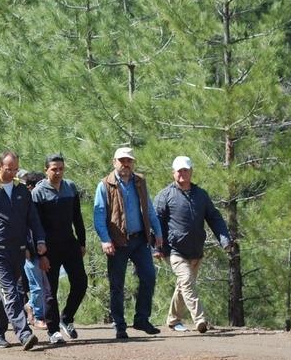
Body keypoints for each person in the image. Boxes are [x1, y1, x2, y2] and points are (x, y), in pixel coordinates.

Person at [0, 150, 45, 351]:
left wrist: (39, 241)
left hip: (18, 249)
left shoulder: (22, 191)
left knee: (13, 293)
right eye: (8, 169)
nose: (12, 173)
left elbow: (33, 219)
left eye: (15, 169)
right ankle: (24, 333)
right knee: (10, 291)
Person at [155, 156, 233, 334]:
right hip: (174, 250)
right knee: (187, 282)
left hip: (196, 250)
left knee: (183, 286)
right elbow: (155, 221)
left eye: (185, 170)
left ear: (191, 172)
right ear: (173, 173)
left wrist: (225, 240)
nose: (182, 174)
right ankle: (200, 319)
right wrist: (156, 248)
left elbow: (214, 218)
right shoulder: (165, 195)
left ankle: (173, 320)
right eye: (179, 171)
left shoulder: (201, 195)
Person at [93, 147, 164, 340]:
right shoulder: (105, 185)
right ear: (114, 162)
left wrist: (158, 232)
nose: (126, 164)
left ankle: (141, 319)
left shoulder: (139, 182)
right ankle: (119, 325)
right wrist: (105, 239)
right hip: (118, 241)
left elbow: (148, 208)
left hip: (140, 239)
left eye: (129, 161)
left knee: (149, 277)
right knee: (117, 285)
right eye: (122, 160)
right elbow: (99, 215)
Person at [32, 154, 88, 344]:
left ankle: (67, 318)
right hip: (49, 248)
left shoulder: (70, 187)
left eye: (61, 169)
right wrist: (40, 254)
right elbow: (35, 225)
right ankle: (53, 330)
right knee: (50, 291)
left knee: (81, 283)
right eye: (54, 169)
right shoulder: (38, 193)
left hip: (69, 243)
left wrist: (82, 243)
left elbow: (77, 218)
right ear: (46, 169)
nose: (58, 172)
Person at [19, 171, 51, 329]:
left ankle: (33, 307)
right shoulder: (22, 205)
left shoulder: (39, 204)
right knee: (36, 286)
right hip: (30, 253)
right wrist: (25, 247)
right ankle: (38, 316)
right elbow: (21, 229)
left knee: (45, 287)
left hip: (42, 251)